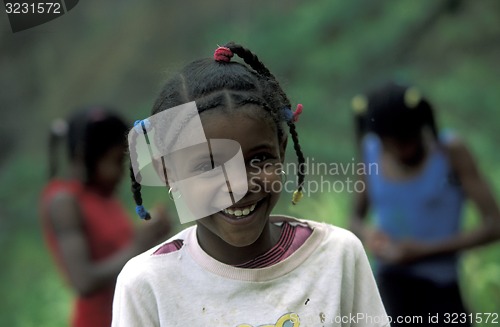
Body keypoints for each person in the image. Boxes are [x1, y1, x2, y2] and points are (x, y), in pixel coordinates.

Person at [111, 42, 390, 327]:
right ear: (168, 172)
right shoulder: (147, 285)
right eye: (209, 166)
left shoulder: (336, 257)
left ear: (281, 151)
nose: (239, 185)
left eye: (258, 159)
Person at [350, 82, 500, 326]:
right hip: (389, 288)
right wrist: (370, 235)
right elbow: (354, 220)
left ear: (421, 128)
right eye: (390, 143)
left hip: (441, 290)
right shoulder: (371, 152)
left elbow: (494, 225)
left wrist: (423, 251)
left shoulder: (450, 152)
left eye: (406, 139)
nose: (400, 150)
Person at [40, 107, 171, 327]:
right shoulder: (64, 201)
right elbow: (83, 281)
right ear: (85, 157)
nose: (121, 172)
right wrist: (138, 246)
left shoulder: (103, 195)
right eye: (115, 162)